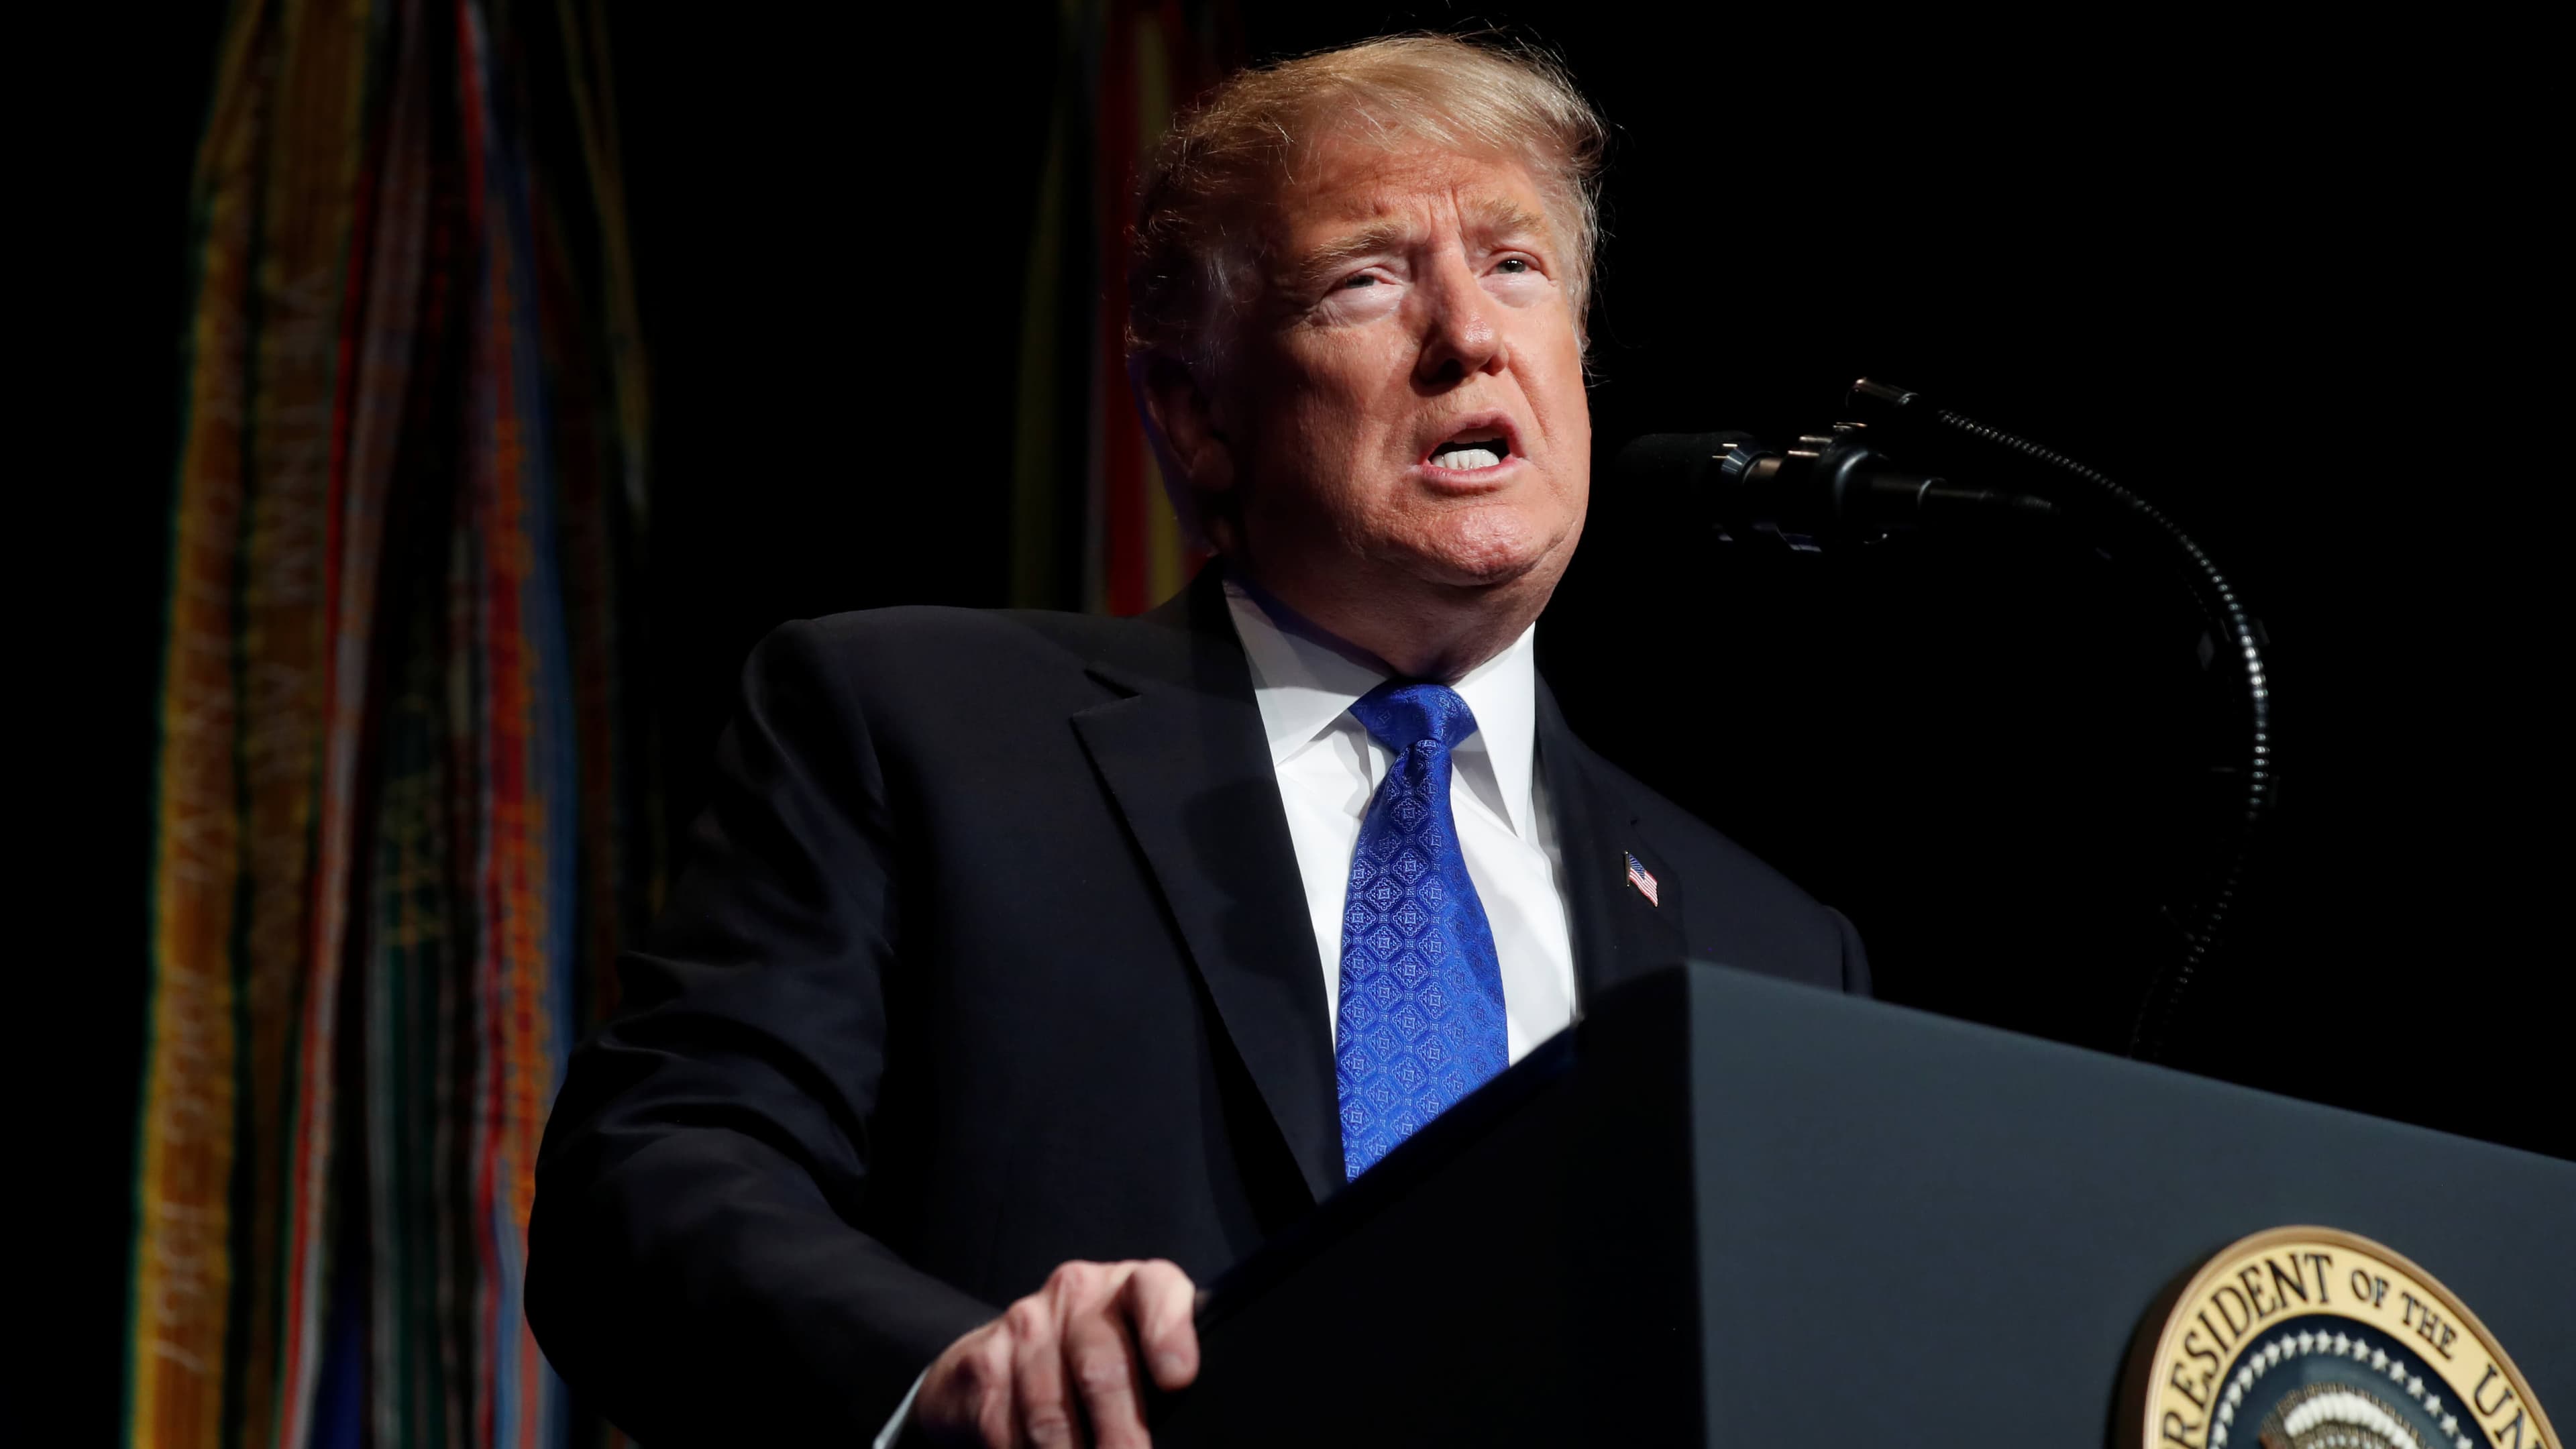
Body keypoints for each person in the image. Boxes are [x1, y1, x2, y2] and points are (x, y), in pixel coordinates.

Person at [528, 33, 1869, 1449]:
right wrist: (947, 1377)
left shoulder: (1769, 947)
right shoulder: (918, 733)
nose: (1469, 335)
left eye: (1516, 266)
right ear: (1197, 416)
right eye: (1368, 278)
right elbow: (651, 1179)